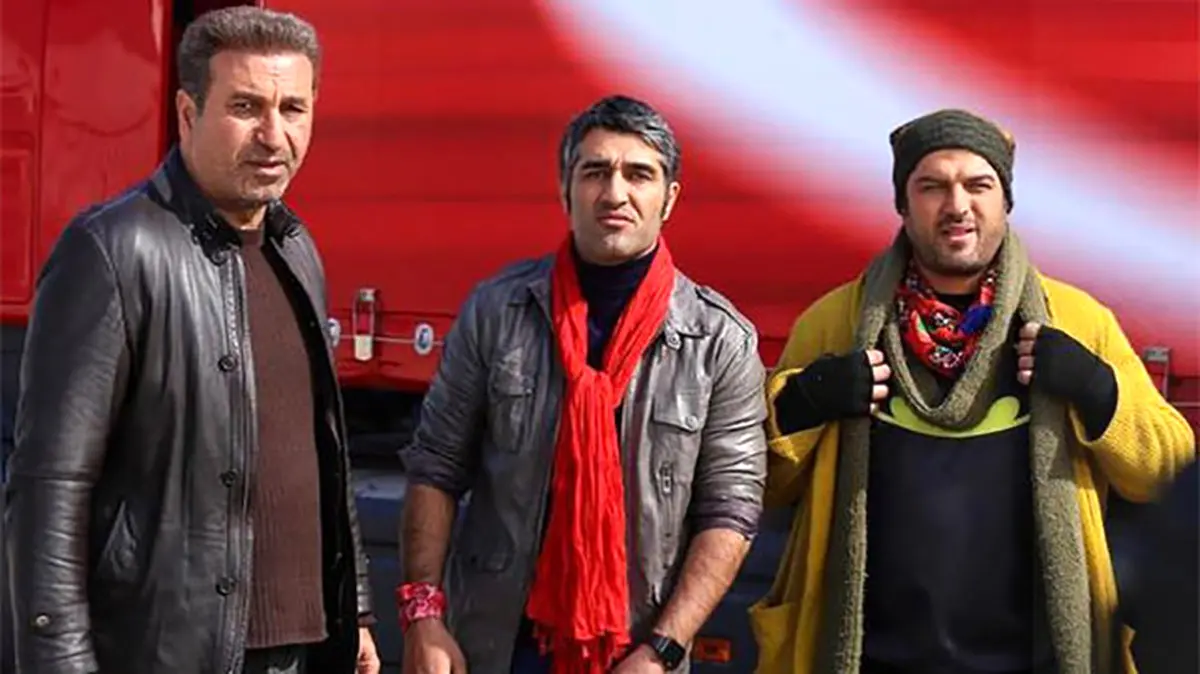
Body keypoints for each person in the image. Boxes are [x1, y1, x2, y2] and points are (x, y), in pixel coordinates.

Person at [748, 108, 1196, 674]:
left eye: (978, 185)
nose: (957, 205)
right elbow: (758, 487)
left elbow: (1166, 471)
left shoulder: (1076, 320)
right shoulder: (837, 323)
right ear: (903, 204)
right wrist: (802, 404)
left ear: (1005, 201)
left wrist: (1097, 391)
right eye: (932, 186)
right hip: (871, 659)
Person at [4, 7, 379, 674]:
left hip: (303, 651)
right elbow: (49, 490)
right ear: (187, 112)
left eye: (293, 108)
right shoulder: (113, 252)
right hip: (170, 653)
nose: (274, 135)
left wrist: (355, 614)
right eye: (245, 106)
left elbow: (325, 455)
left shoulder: (296, 249)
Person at [396, 94, 768, 674]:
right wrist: (423, 616)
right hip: (497, 647)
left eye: (638, 174)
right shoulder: (497, 311)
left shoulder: (719, 340)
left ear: (669, 198)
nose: (614, 193)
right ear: (564, 190)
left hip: (636, 654)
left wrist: (663, 650)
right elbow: (436, 467)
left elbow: (731, 510)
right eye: (595, 172)